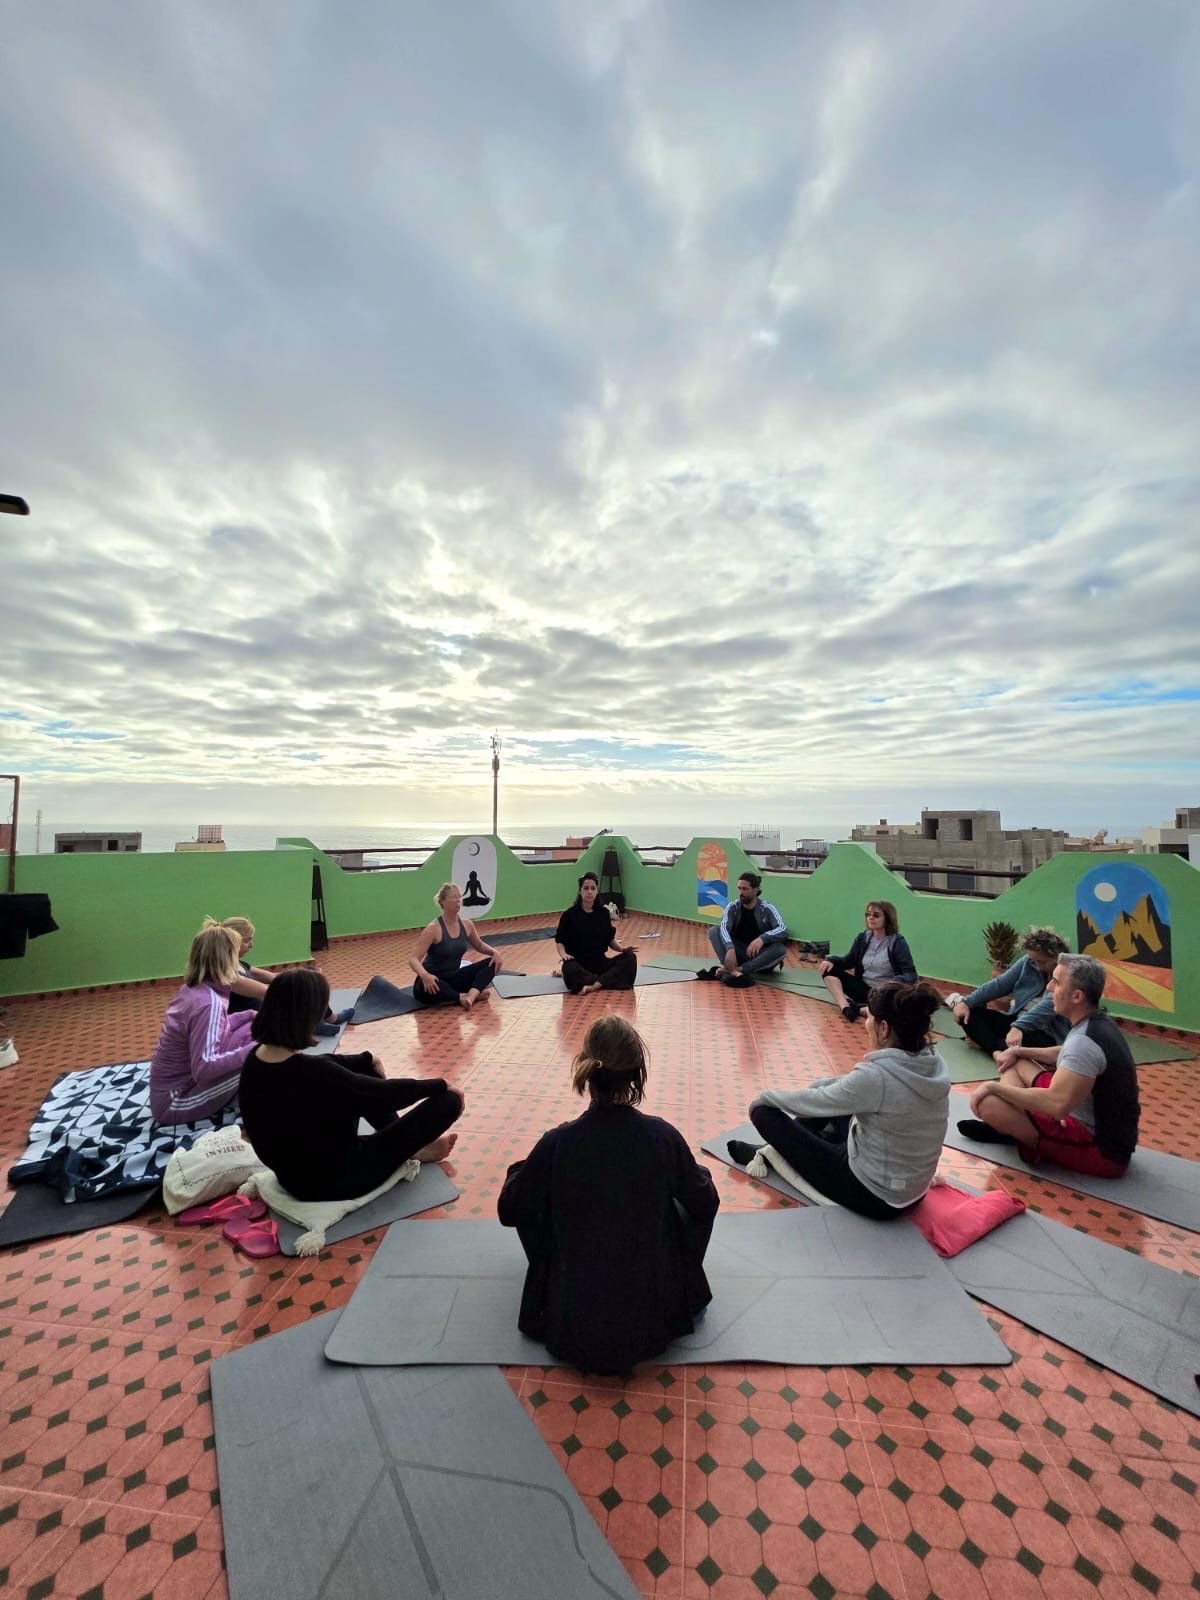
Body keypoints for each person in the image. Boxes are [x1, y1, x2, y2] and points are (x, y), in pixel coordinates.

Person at [498, 1015, 718, 1374]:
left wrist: (525, 1172)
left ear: (587, 1068)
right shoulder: (662, 1138)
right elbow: (705, 1204)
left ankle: (556, 1280)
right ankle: (679, 1284)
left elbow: (509, 1211)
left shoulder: (558, 1143)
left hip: (570, 1326)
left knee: (526, 1188)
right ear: (637, 1073)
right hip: (653, 1324)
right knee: (697, 1187)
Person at [238, 969, 464, 1201]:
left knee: (364, 1071)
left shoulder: (255, 1059)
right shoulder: (318, 1074)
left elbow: (325, 1065)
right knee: (449, 1101)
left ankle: (414, 1149)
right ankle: (414, 1149)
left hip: (291, 1178)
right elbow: (386, 1094)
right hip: (341, 1181)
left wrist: (365, 1059)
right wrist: (440, 1085)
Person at [728, 981, 949, 1217]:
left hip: (875, 1196)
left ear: (884, 1028)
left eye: (870, 1018)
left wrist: (763, 1098)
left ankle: (773, 1153)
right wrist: (821, 1087)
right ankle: (782, 1148)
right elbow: (841, 1091)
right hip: (913, 1191)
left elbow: (817, 1101)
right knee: (833, 1104)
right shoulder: (933, 1063)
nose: (867, 1024)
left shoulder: (875, 1078)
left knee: (764, 1113)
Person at [958, 954, 1140, 1177]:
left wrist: (993, 1087)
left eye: (1056, 982)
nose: (1049, 987)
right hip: (1091, 1122)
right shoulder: (1095, 1023)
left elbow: (1056, 1105)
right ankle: (1015, 1126)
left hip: (1101, 1151)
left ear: (1076, 996)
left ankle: (1019, 1132)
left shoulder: (1084, 1041)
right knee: (1017, 1062)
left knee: (987, 1103)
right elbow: (1064, 1052)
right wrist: (1018, 1051)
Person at [149, 923, 256, 1125]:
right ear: (227, 959)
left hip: (170, 1092)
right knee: (262, 1056)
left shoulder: (195, 989)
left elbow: (219, 1029)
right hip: (176, 1103)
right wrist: (256, 1050)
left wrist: (249, 1016)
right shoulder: (209, 1004)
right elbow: (204, 1068)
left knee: (253, 1030)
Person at [951, 927, 1069, 1053]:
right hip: (1016, 1023)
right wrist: (966, 1002)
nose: (1038, 967)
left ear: (1056, 957)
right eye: (1034, 961)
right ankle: (999, 1050)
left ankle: (993, 1046)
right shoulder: (1028, 961)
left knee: (1017, 1044)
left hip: (1045, 1032)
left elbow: (1047, 1007)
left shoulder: (1068, 971)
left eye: (1041, 962)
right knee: (969, 1014)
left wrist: (1018, 1027)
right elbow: (999, 984)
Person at [409, 883, 504, 1008]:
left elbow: (479, 945)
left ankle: (471, 995)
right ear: (442, 902)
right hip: (432, 982)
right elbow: (413, 959)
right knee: (432, 986)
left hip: (454, 978)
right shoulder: (433, 928)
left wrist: (495, 953)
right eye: (453, 897)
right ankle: (460, 997)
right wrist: (425, 976)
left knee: (492, 962)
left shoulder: (467, 924)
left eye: (459, 897)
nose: (458, 900)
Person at [819, 901, 917, 1021]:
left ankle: (860, 1009)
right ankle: (845, 1007)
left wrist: (893, 982)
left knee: (904, 1009)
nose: (870, 917)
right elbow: (848, 961)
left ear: (887, 918)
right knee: (828, 969)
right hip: (864, 989)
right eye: (868, 914)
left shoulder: (897, 942)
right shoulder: (863, 937)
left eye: (876, 915)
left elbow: (911, 974)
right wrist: (830, 960)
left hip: (885, 993)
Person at [554, 871, 637, 993]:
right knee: (569, 968)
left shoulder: (603, 913)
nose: (589, 892)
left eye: (593, 888)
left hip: (600, 963)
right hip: (579, 964)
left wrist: (622, 949)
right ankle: (604, 980)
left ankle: (594, 984)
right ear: (580, 891)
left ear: (597, 891)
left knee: (630, 958)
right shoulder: (569, 915)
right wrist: (563, 954)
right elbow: (560, 939)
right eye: (586, 888)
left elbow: (609, 939)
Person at [707, 872, 788, 985]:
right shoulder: (733, 907)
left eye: (745, 889)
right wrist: (730, 948)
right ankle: (730, 967)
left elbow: (783, 929)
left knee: (780, 949)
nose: (741, 892)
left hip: (760, 958)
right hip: (738, 954)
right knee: (714, 931)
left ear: (755, 890)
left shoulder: (767, 908)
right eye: (739, 888)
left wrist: (762, 939)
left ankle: (739, 970)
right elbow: (724, 928)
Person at [220, 916, 277, 1014]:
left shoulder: (239, 964)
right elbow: (268, 991)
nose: (251, 945)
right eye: (247, 941)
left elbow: (273, 977)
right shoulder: (224, 973)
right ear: (232, 942)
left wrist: (299, 974)